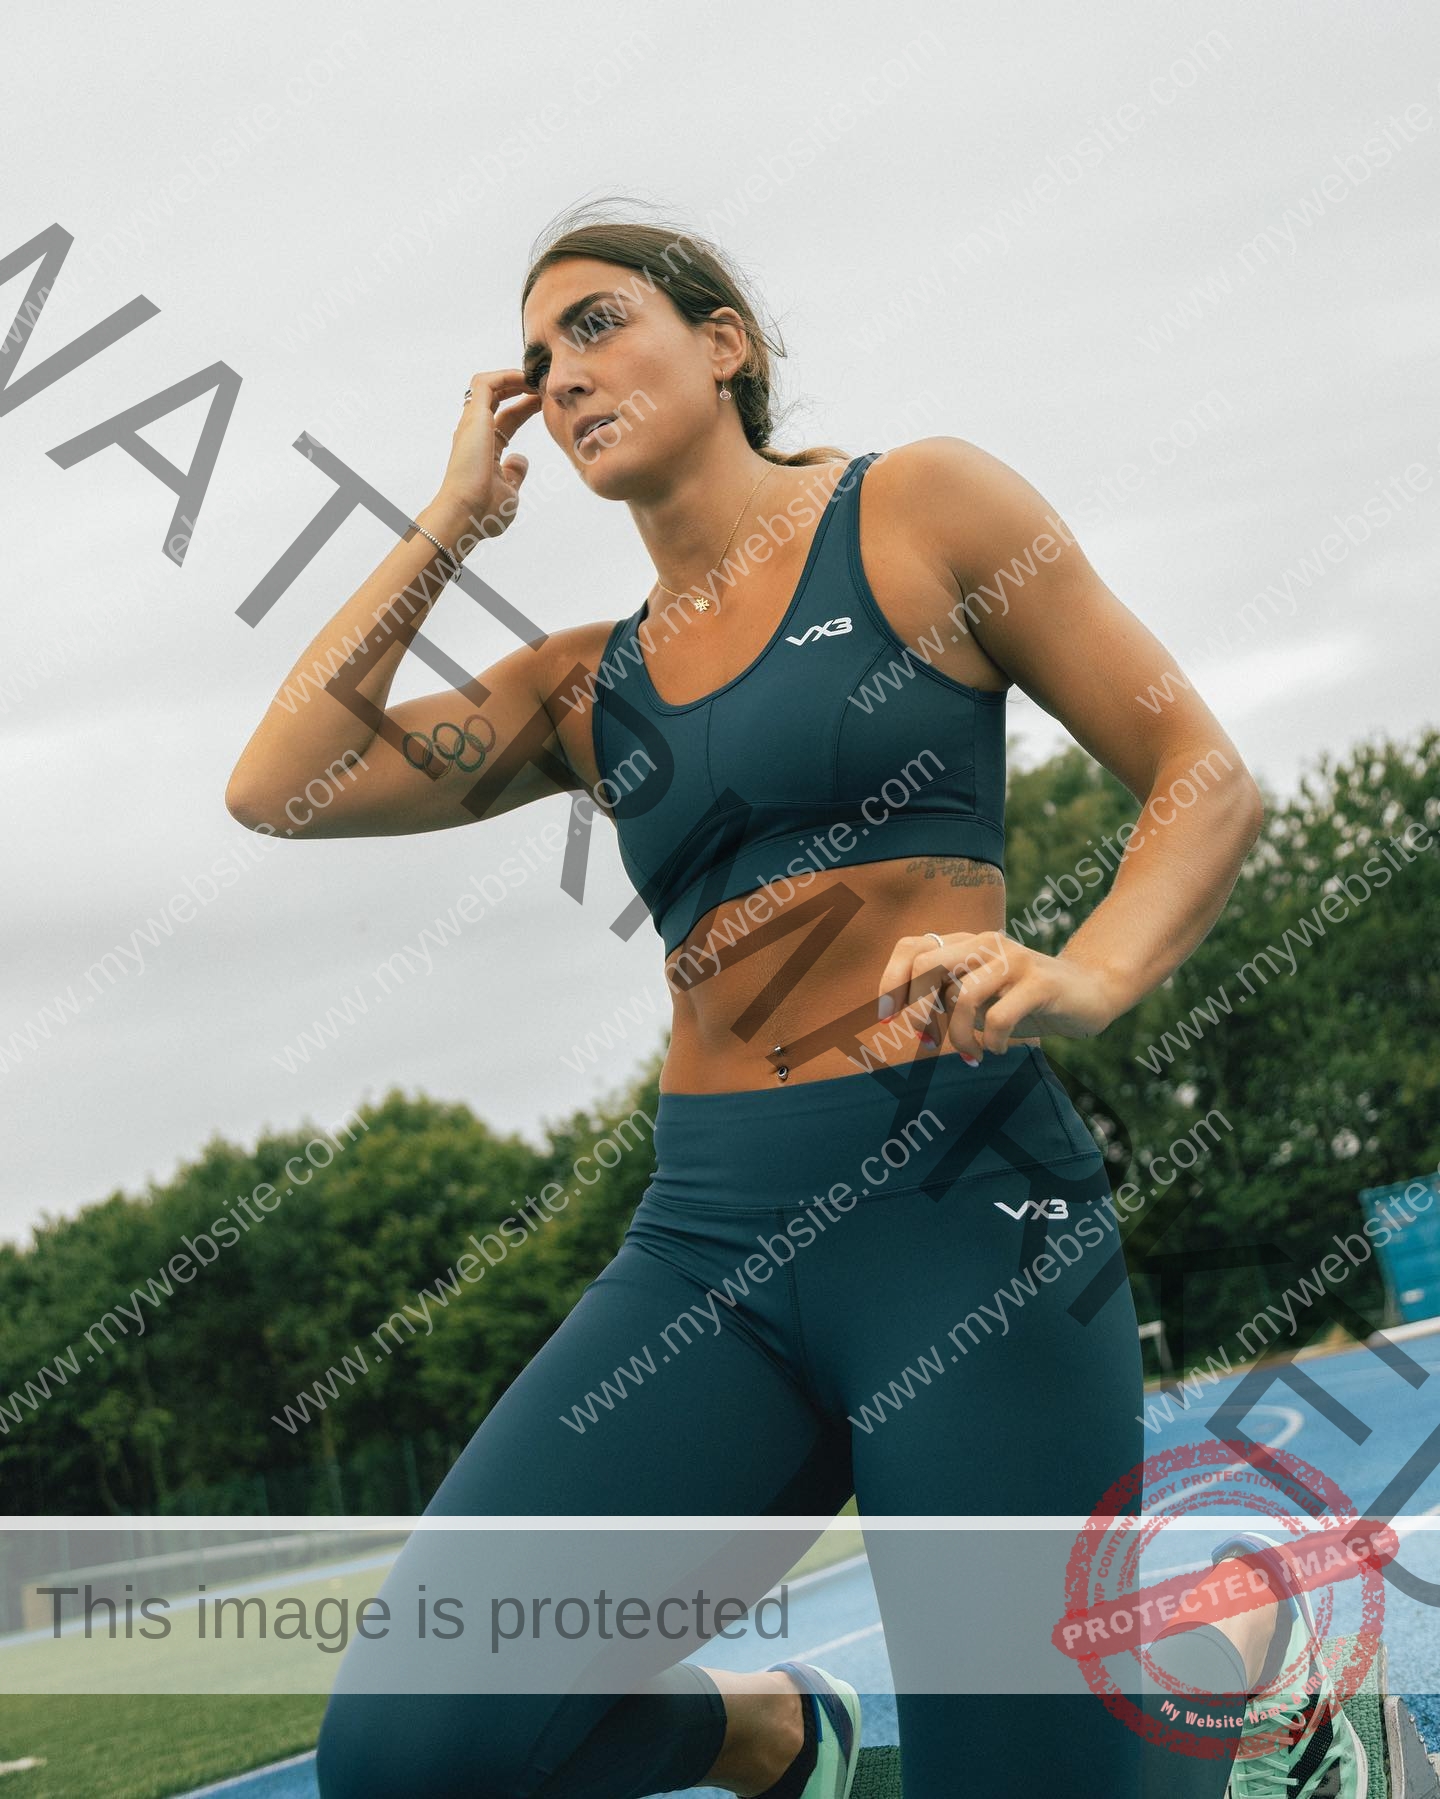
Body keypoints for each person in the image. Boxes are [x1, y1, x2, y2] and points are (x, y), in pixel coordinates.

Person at [225, 205, 1365, 1798]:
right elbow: (282, 785)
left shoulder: (920, 513)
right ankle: (769, 1731)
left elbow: (1201, 774)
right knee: (411, 1751)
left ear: (725, 343)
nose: (564, 374)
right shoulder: (585, 682)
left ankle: (1246, 1678)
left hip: (964, 1223)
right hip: (710, 1242)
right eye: (540, 359)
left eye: (603, 323)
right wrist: (445, 525)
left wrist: (1085, 970)